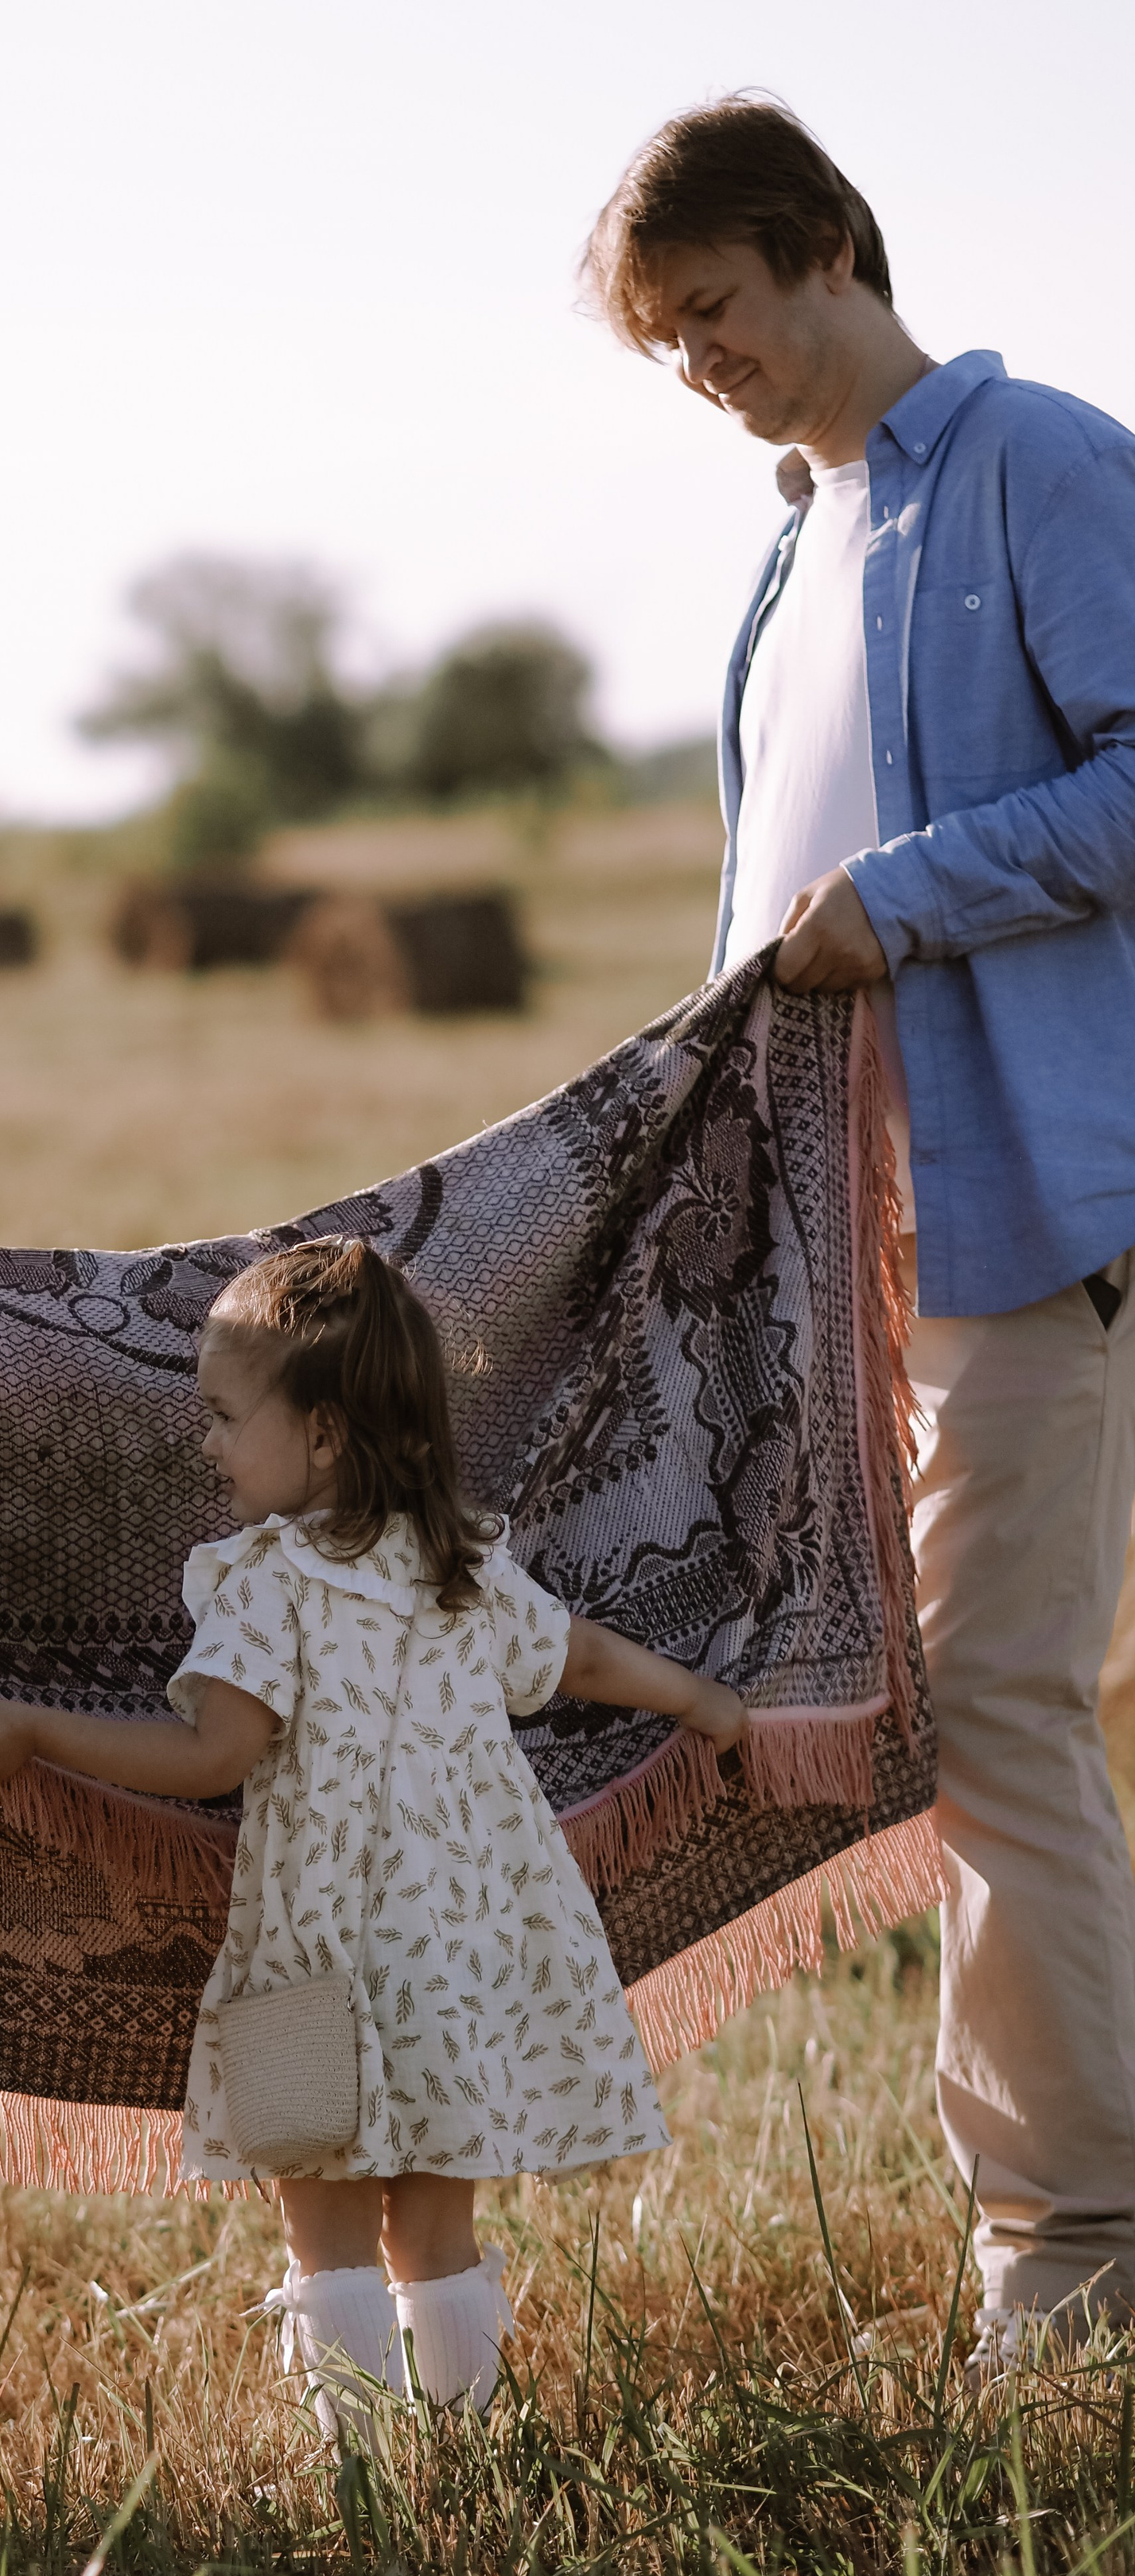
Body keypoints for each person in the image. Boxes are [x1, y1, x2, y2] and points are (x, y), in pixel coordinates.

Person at [585, 99, 1135, 2370]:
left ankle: (1078, 2252)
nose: (694, 365)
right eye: (662, 343)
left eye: (708, 312)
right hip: (837, 1247)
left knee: (1001, 1709)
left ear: (821, 246)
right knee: (911, 1714)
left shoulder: (1040, 463)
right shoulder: (786, 542)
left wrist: (898, 910)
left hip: (1024, 1212)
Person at [0, 1238, 743, 2425]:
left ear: (321, 1436)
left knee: (323, 2225)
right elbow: (575, 1654)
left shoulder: (266, 1582)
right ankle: (462, 2464)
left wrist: (34, 1733)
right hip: (460, 1959)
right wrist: (698, 1696)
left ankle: (359, 2480)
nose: (205, 1442)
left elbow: (213, 1754)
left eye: (221, 1415)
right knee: (435, 2228)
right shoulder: (458, 1560)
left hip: (310, 1960)